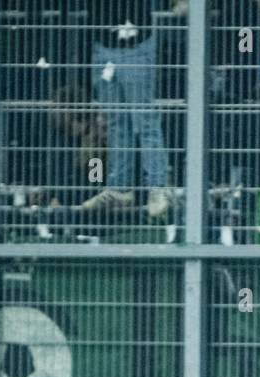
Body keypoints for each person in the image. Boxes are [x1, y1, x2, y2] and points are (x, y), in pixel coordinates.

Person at [80, 0, 173, 218]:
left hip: (136, 42)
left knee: (145, 119)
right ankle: (119, 188)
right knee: (116, 122)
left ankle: (158, 187)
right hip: (103, 45)